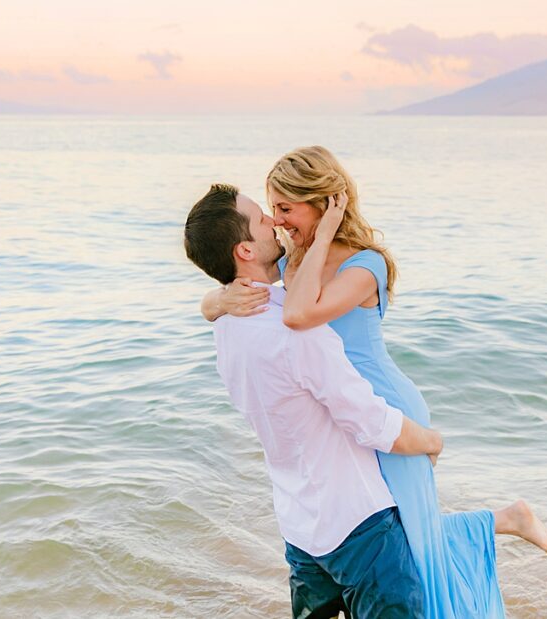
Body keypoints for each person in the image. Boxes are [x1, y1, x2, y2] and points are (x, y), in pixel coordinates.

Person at [202, 147, 547, 619]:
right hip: (336, 404)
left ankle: (498, 530)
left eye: (286, 208)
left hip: (384, 407)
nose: (278, 220)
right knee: (400, 535)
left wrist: (327, 232)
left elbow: (298, 315)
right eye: (272, 209)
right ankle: (505, 518)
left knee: (409, 539)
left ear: (324, 203)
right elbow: (237, 305)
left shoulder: (364, 266)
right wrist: (219, 298)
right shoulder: (292, 265)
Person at [185, 183, 450, 618]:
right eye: (261, 219)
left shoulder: (226, 327)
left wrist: (214, 299)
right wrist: (431, 441)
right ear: (245, 251)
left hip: (299, 526)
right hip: (357, 524)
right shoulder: (295, 334)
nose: (273, 222)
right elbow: (370, 421)